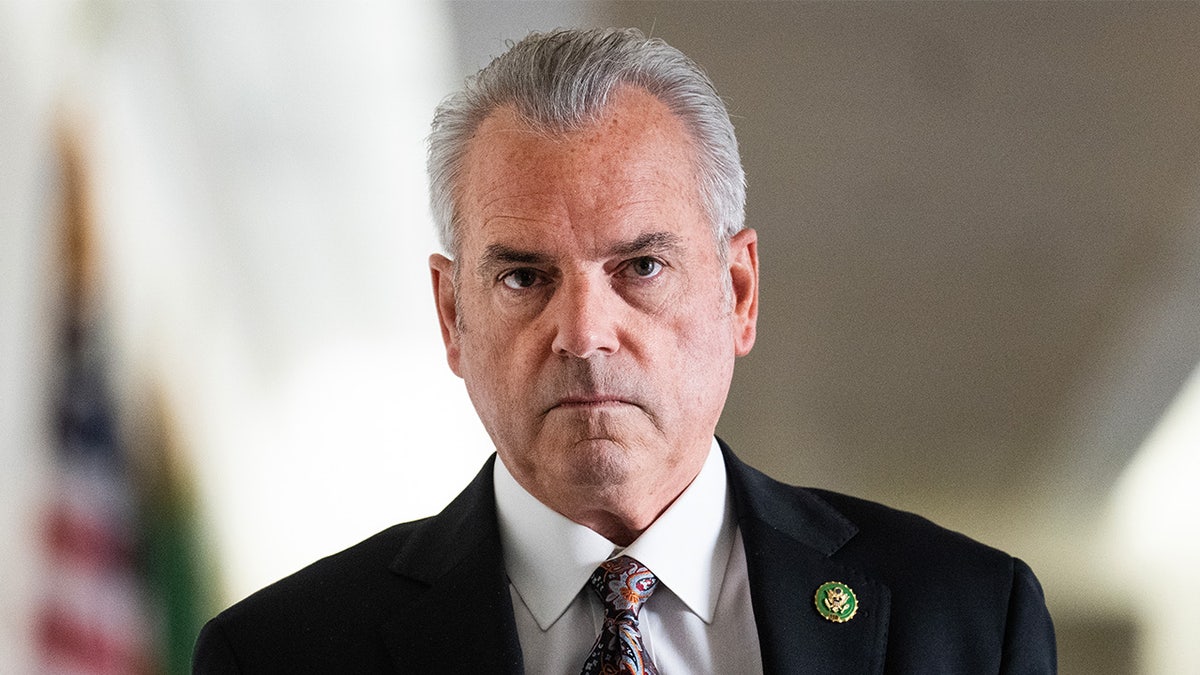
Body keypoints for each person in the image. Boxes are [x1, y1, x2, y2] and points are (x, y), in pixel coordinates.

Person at [193, 27, 1056, 673]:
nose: (583, 332)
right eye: (525, 277)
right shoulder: (279, 655)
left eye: (641, 265)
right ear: (452, 316)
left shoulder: (968, 620)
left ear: (739, 292)